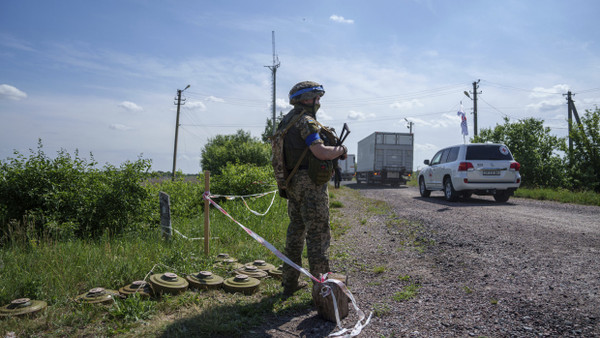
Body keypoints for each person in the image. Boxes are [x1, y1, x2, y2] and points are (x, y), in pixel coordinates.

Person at [278, 81, 348, 296]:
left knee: (296, 232)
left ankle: (289, 283)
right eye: (314, 98)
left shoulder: (286, 121)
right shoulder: (306, 121)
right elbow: (320, 152)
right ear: (303, 99)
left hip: (292, 183)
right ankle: (322, 290)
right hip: (310, 184)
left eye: (318, 98)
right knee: (318, 235)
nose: (317, 102)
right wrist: (341, 149)